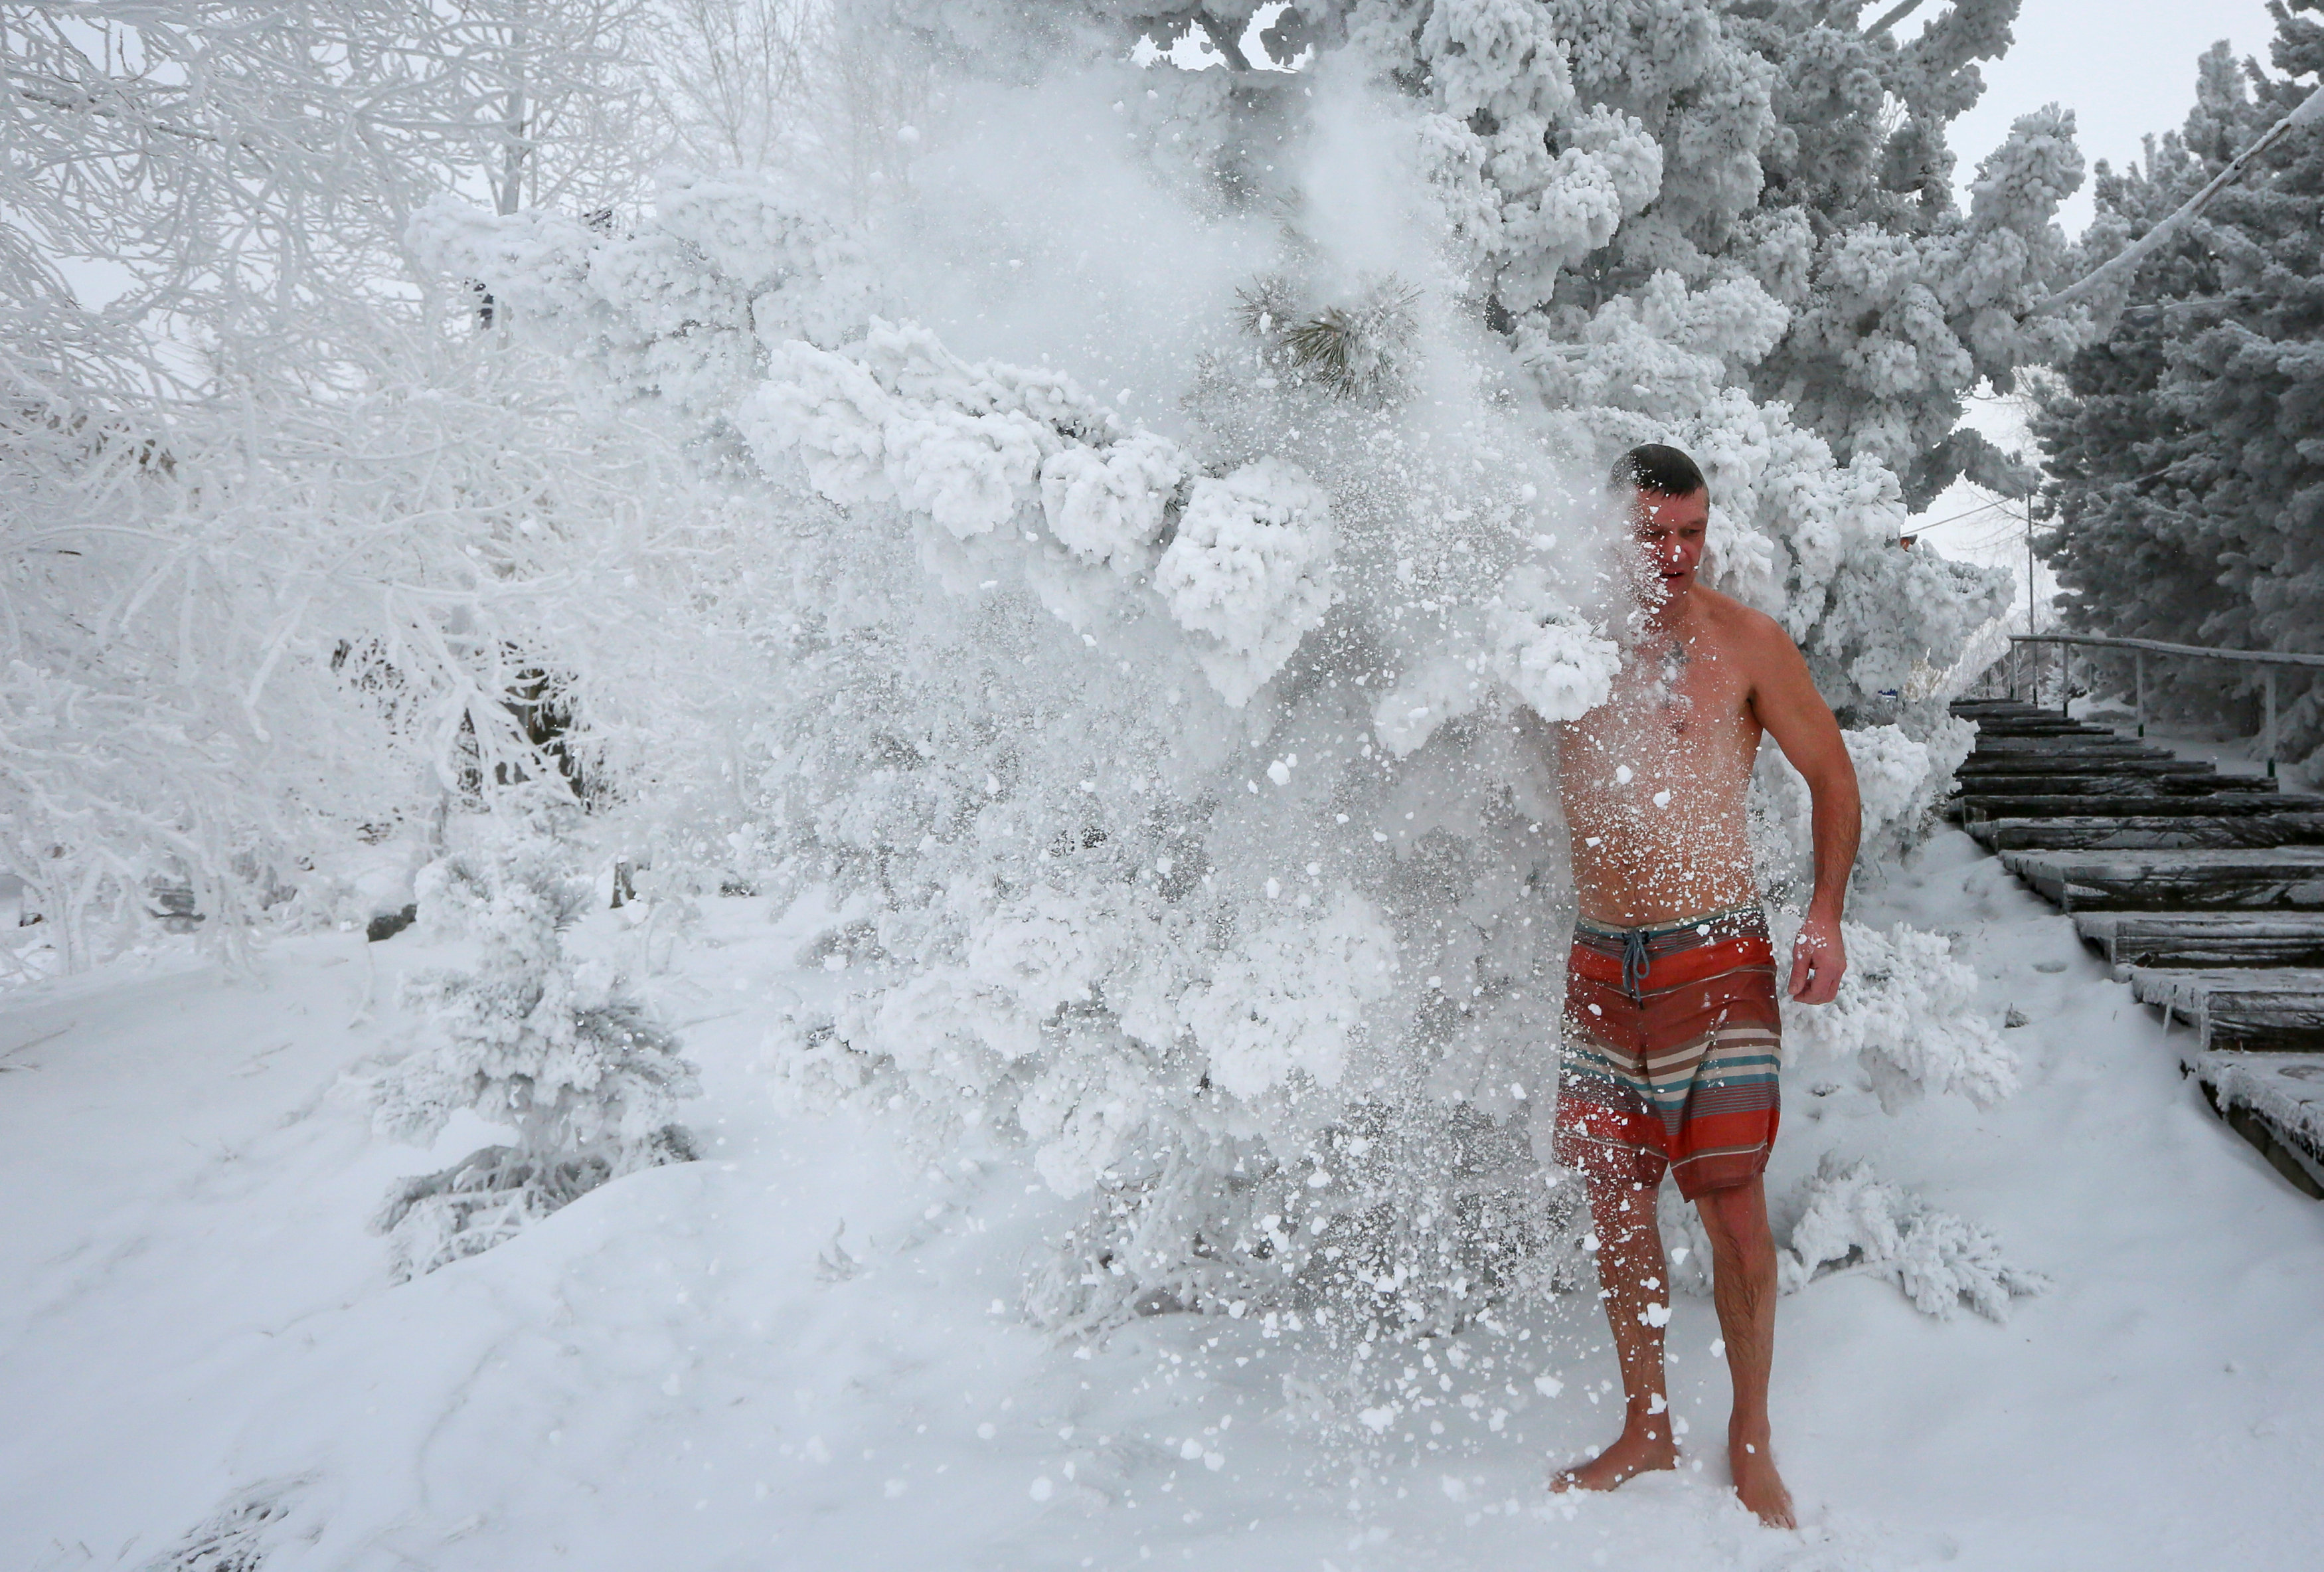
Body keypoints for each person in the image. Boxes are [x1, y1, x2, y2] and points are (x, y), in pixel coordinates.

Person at [1544, 443, 1860, 1529]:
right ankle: (1648, 1425)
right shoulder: (1556, 643)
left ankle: (1752, 1436)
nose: (1677, 555)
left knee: (1730, 1208)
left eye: (1691, 533)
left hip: (1716, 959)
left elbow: (1832, 774)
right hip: (1600, 965)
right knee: (1616, 1204)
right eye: (1653, 534)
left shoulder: (1742, 642)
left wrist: (1822, 916)